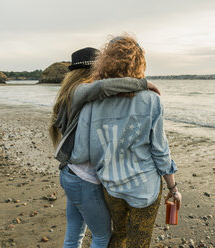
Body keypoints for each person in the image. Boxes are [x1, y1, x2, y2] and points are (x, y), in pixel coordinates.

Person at [70, 35, 182, 248]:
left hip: (111, 186)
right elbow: (160, 151)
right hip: (144, 188)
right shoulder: (151, 100)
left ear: (104, 63)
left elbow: (82, 152)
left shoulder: (92, 102)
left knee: (119, 235)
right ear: (139, 64)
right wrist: (173, 188)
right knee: (138, 242)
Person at [50, 47, 160, 248]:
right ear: (92, 70)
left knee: (74, 233)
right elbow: (102, 88)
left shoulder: (71, 93)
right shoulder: (80, 92)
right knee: (102, 237)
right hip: (83, 178)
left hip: (70, 174)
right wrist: (142, 83)